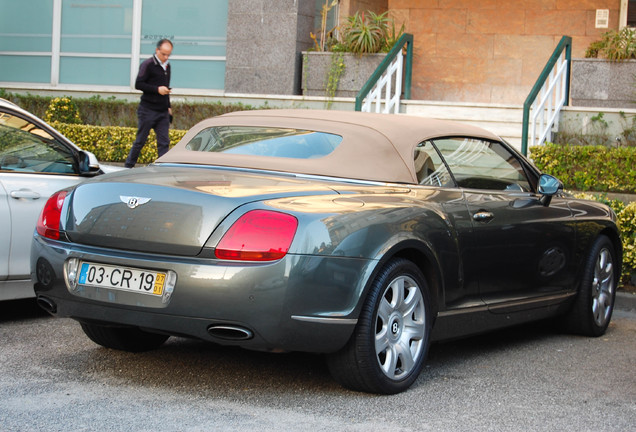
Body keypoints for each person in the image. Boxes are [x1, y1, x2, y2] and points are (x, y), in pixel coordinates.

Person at [125, 39, 173, 168]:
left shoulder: (168, 67)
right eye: (163, 54)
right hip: (148, 110)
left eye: (168, 54)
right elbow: (138, 84)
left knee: (164, 142)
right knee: (140, 140)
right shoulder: (147, 64)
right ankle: (128, 166)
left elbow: (166, 88)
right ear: (157, 50)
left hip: (162, 111)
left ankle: (163, 168)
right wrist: (157, 89)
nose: (166, 57)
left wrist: (168, 107)